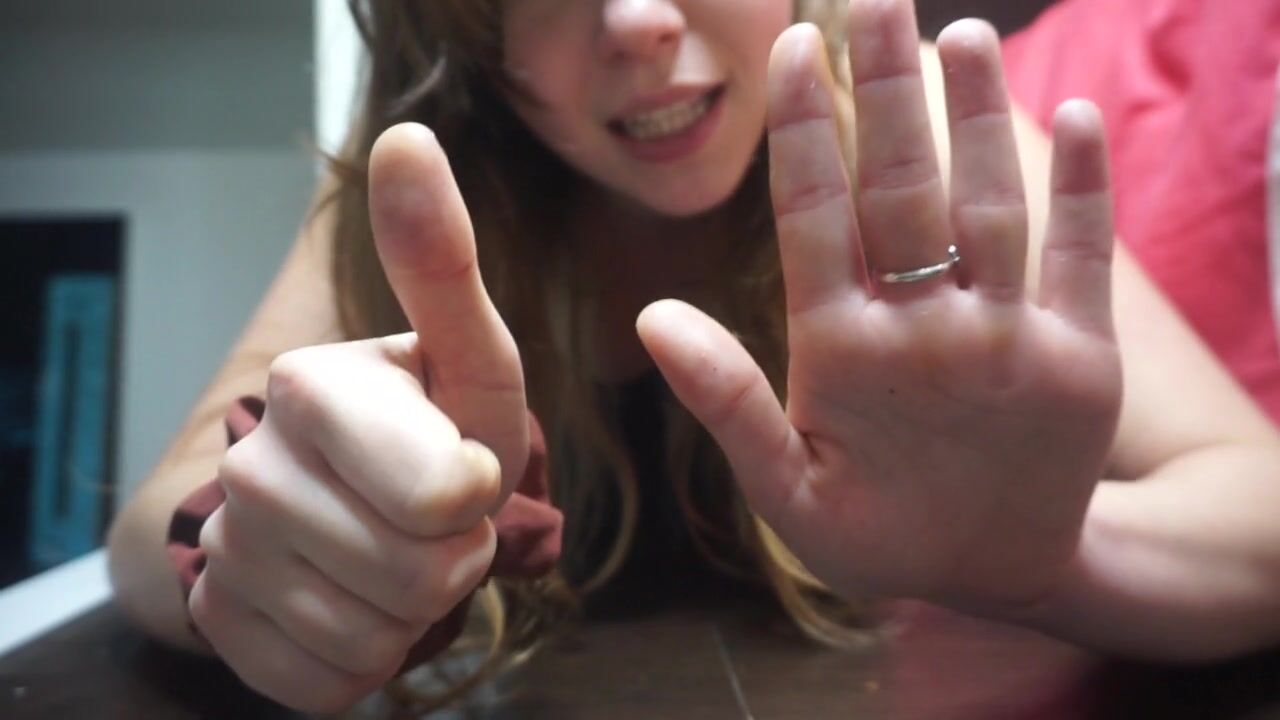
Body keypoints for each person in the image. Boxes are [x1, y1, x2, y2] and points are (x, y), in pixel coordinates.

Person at [106, 0, 1280, 713]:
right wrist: (268, 549)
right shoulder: (424, 188)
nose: (636, 22)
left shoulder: (900, 124)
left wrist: (1041, 562)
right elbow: (156, 528)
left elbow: (1255, 509)